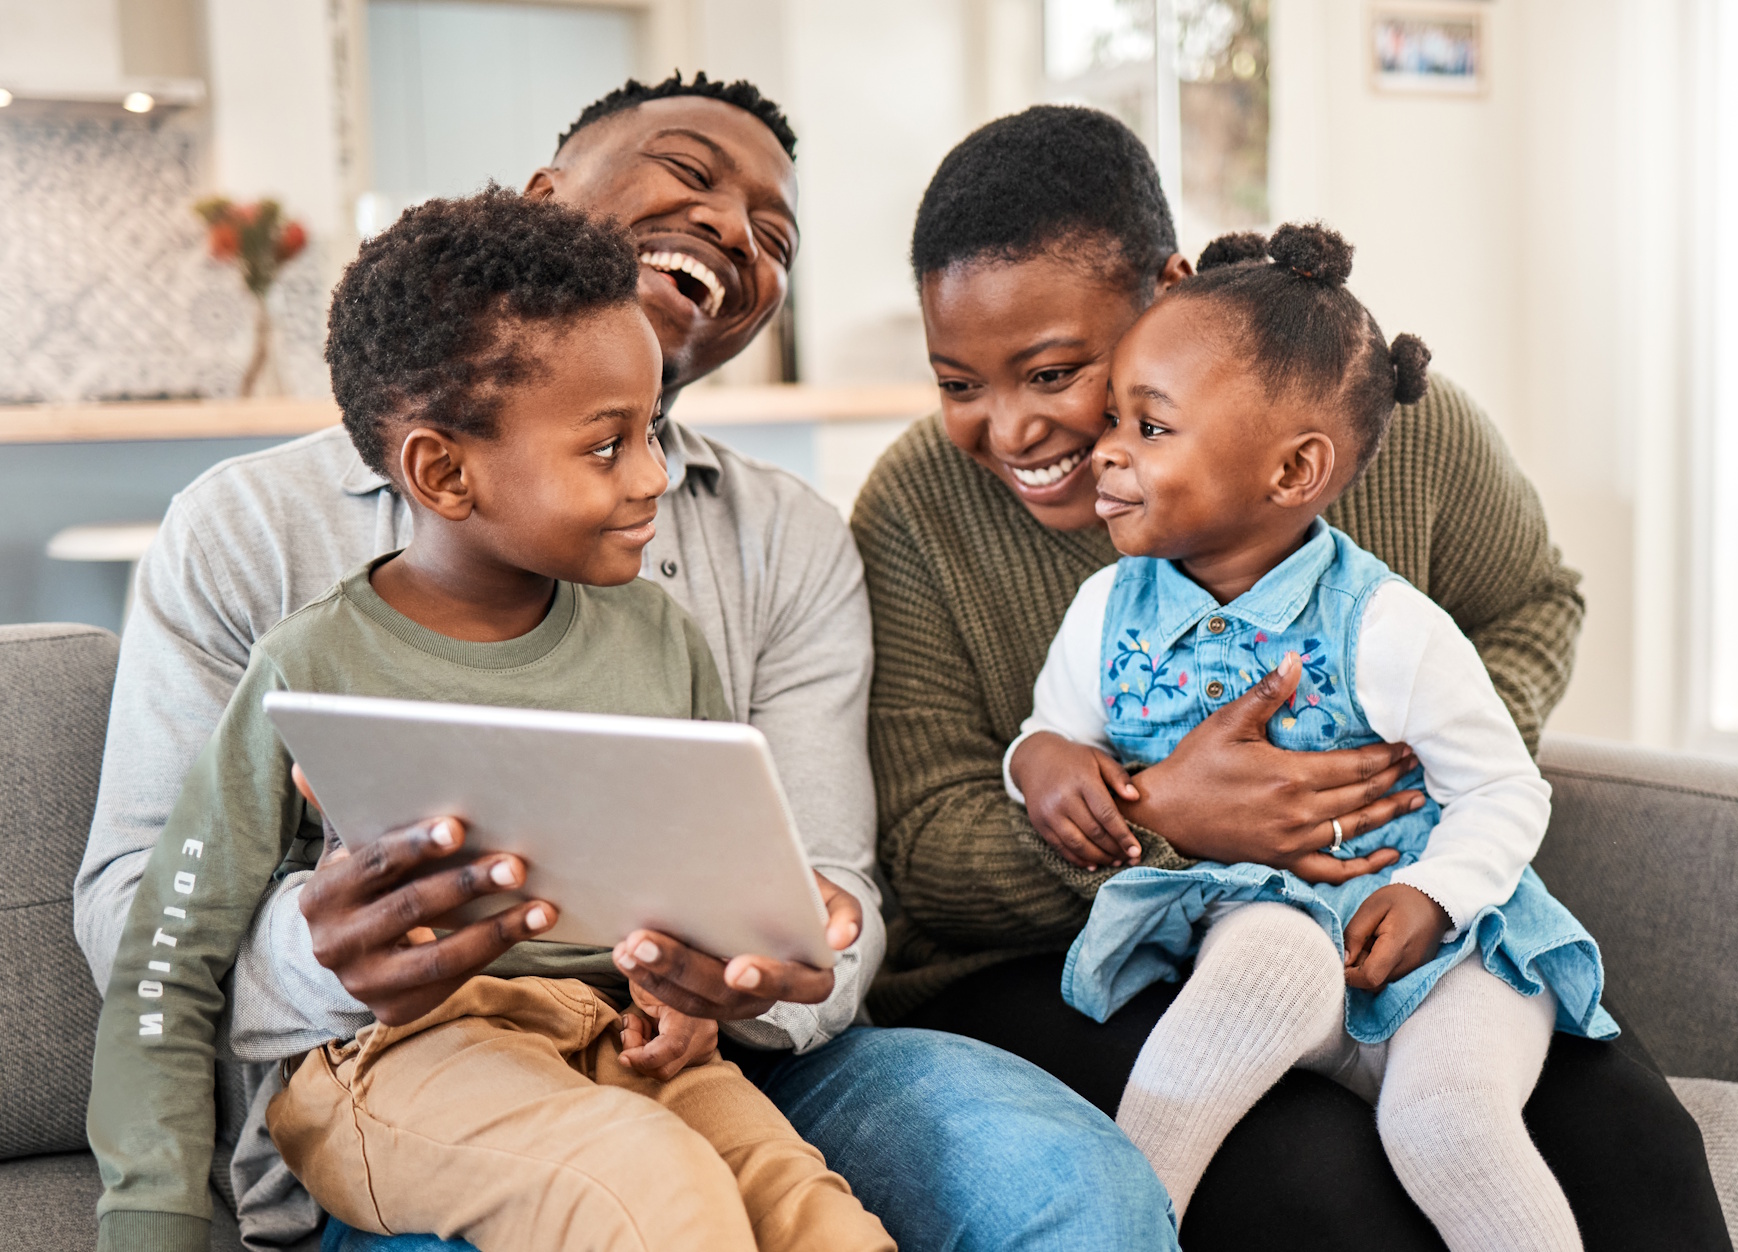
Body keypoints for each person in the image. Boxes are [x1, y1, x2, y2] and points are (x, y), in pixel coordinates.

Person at [73, 75, 1175, 1252]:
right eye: (691, 173)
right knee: (642, 1190)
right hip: (404, 1071)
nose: (731, 228)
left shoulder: (740, 574)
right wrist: (319, 962)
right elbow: (149, 930)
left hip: (672, 1052)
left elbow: (820, 884)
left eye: (773, 232)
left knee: (1052, 1194)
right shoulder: (269, 570)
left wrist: (779, 957)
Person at [855, 104, 1734, 1251]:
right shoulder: (917, 511)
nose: (1012, 428)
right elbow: (925, 847)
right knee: (1312, 1181)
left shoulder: (1380, 427)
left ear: (1165, 292)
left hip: (1375, 914)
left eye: (1054, 370)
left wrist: (1396, 778)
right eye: (956, 383)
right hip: (1057, 958)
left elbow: (1530, 600)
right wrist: (1161, 814)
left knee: (1633, 1142)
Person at [88, 190, 897, 1252]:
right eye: (607, 447)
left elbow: (705, 893)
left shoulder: (660, 638)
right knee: (644, 1189)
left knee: (821, 1224)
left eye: (650, 430)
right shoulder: (310, 665)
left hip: (624, 1047)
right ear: (442, 472)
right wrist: (150, 1217)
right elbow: (165, 956)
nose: (654, 475)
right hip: (397, 1062)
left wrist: (712, 979)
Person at [1011, 222, 1616, 1252]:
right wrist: (1045, 763)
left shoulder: (1384, 627)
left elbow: (1505, 792)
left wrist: (1433, 894)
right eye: (1113, 415)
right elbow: (1045, 733)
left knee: (1443, 1126)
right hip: (1270, 930)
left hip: (1447, 960)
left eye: (1149, 428)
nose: (1103, 449)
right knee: (1234, 988)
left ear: (1292, 472)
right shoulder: (1103, 610)